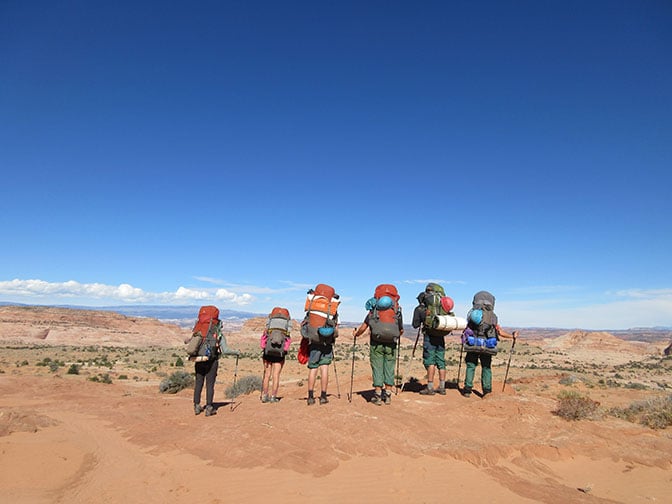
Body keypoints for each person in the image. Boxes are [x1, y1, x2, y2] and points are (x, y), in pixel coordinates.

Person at [352, 284, 404, 405]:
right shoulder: (396, 311)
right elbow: (401, 330)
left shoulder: (374, 311)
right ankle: (388, 395)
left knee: (377, 366)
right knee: (389, 367)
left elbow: (363, 327)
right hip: (391, 343)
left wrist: (356, 334)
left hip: (376, 343)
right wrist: (394, 336)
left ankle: (378, 395)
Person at [461, 291, 518, 398]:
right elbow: (499, 332)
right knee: (486, 367)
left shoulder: (472, 314)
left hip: (473, 344)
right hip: (487, 345)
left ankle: (467, 390)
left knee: (471, 365)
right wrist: (512, 337)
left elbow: (466, 329)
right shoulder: (493, 317)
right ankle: (487, 392)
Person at [412, 283, 454, 396]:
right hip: (441, 336)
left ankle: (430, 387)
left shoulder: (422, 308)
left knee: (430, 361)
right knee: (441, 361)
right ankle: (442, 387)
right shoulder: (442, 308)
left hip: (429, 337)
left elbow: (415, 325)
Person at [187, 306, 224, 417]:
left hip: (199, 359)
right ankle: (209, 407)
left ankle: (196, 406)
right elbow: (222, 346)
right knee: (210, 384)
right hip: (211, 360)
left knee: (198, 382)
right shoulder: (215, 327)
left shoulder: (198, 326)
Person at [260, 308, 292, 403]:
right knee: (276, 375)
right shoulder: (286, 328)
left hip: (268, 352)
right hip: (279, 353)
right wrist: (285, 350)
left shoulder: (269, 327)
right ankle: (273, 397)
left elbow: (263, 339)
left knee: (267, 375)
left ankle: (265, 396)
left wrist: (264, 348)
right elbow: (288, 340)